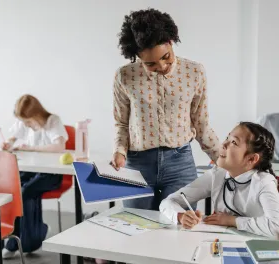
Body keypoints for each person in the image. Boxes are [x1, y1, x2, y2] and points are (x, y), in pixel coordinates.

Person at [112, 8, 220, 210]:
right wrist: (119, 151)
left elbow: (201, 123)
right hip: (138, 165)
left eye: (166, 56)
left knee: (180, 229)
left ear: (171, 41)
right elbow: (122, 122)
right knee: (138, 226)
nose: (162, 66)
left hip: (180, 163)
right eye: (150, 63)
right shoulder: (125, 76)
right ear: (136, 56)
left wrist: (221, 158)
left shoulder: (194, 72)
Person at [159, 122, 279, 238]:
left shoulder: (264, 182)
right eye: (227, 137)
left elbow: (275, 227)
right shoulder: (217, 174)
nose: (223, 144)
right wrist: (180, 216)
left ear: (252, 159)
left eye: (233, 142)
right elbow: (168, 202)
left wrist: (232, 221)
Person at [1, 94, 68, 258]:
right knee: (14, 188)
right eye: (24, 122)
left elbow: (59, 146)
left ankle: (21, 241)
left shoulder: (53, 121)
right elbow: (13, 137)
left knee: (27, 191)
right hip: (32, 170)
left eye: (28, 121)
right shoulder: (24, 122)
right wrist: (8, 144)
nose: (26, 125)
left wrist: (31, 148)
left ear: (37, 114)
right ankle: (31, 233)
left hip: (52, 174)